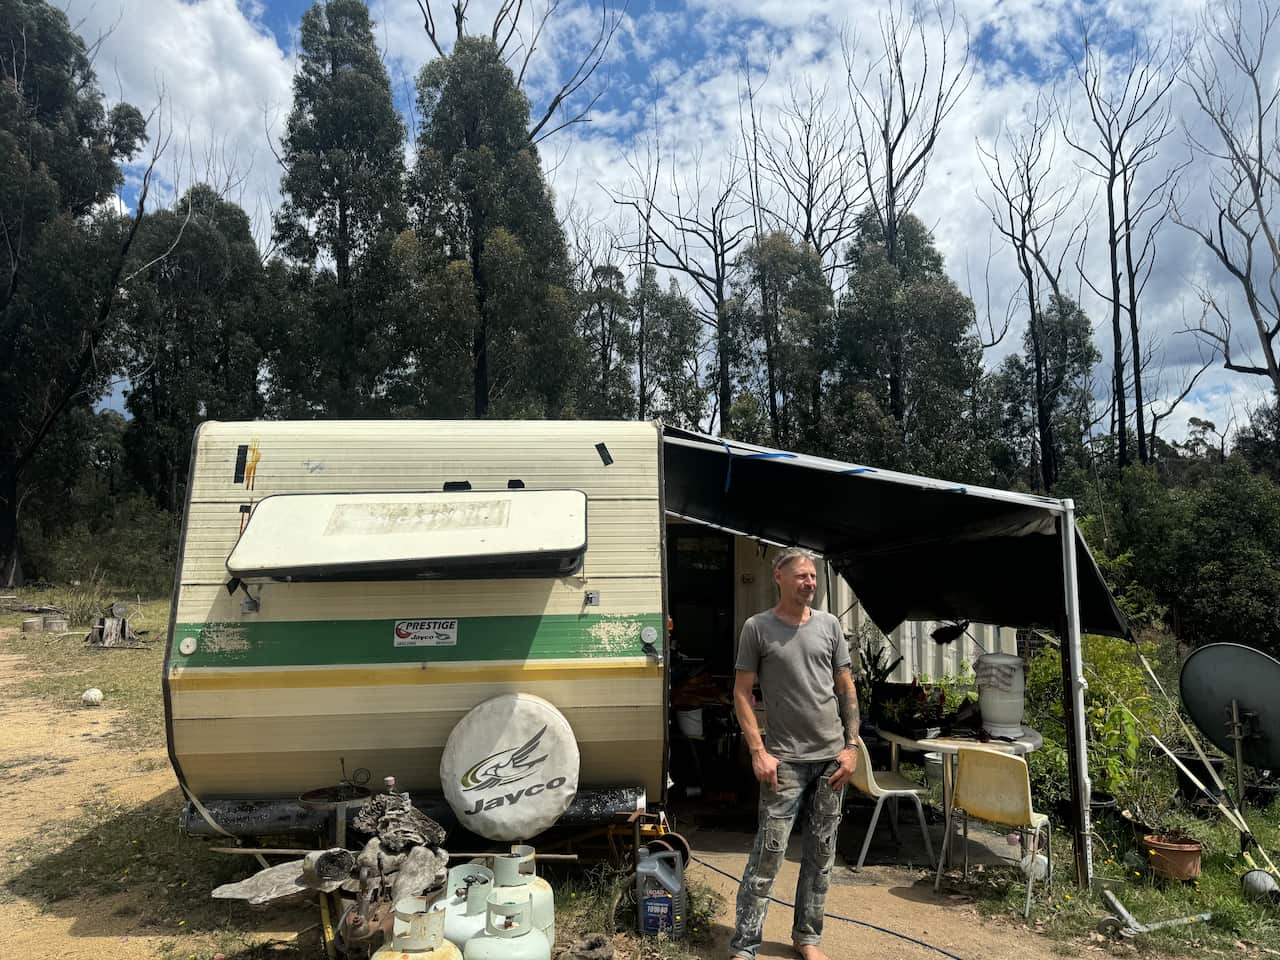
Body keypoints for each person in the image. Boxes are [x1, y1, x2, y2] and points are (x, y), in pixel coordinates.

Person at [729, 547, 861, 960]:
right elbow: (741, 693)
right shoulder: (758, 628)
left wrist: (852, 747)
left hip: (831, 761)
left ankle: (808, 938)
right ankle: (745, 944)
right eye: (802, 575)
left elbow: (845, 687)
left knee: (821, 856)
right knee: (768, 856)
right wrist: (758, 751)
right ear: (779, 578)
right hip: (783, 762)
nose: (810, 582)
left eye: (814, 576)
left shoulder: (829, 626)